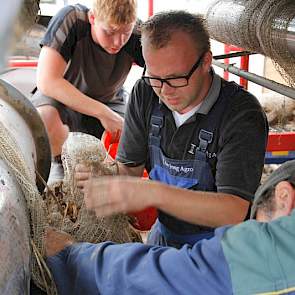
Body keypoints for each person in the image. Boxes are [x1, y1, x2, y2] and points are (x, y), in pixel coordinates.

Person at [75, 10, 269, 248]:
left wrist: (153, 192)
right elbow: (129, 172)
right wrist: (104, 177)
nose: (165, 91)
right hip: (165, 235)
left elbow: (233, 211)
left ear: (206, 62)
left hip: (219, 250)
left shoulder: (241, 114)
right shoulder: (145, 93)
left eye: (176, 78)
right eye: (155, 77)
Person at [46, 160, 295, 295]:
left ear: (284, 197)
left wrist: (70, 254)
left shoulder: (279, 247)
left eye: (259, 225)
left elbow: (162, 277)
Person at [32, 0, 144, 162]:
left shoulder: (137, 33)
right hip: (60, 100)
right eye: (110, 32)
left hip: (110, 102)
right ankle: (56, 173)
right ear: (92, 17)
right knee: (45, 120)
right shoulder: (72, 18)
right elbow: (47, 81)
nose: (118, 42)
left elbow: (163, 73)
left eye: (125, 33)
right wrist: (103, 113)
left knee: (132, 140)